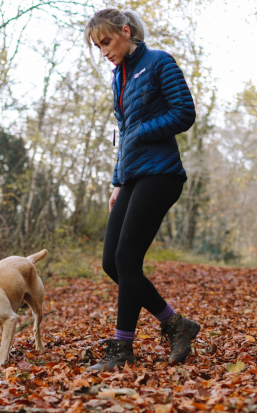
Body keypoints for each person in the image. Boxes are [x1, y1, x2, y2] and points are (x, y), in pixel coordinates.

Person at [84, 8, 201, 371]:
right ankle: (175, 324)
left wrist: (143, 131)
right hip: (133, 176)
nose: (104, 50)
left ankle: (122, 348)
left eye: (107, 41)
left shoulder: (159, 62)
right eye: (97, 46)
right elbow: (122, 132)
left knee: (127, 259)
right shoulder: (118, 77)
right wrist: (118, 182)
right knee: (112, 263)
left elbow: (185, 113)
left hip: (162, 174)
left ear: (125, 30)